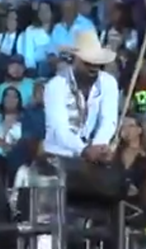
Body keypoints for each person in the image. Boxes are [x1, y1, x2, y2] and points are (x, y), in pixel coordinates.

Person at [43, 30, 118, 163]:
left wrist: (96, 147)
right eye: (87, 63)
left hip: (94, 154)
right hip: (60, 155)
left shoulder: (109, 83)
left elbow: (109, 121)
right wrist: (84, 150)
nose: (93, 68)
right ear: (75, 60)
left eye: (97, 64)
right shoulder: (55, 85)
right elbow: (59, 129)